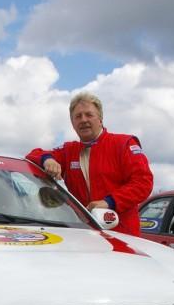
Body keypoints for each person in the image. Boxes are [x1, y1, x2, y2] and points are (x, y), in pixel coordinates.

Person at [26, 91, 153, 236]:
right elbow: (32, 155)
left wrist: (109, 202)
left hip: (122, 235)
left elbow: (143, 183)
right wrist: (48, 159)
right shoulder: (69, 150)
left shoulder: (124, 144)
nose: (83, 120)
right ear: (72, 123)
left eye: (89, 114)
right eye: (78, 116)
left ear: (100, 119)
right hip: (82, 235)